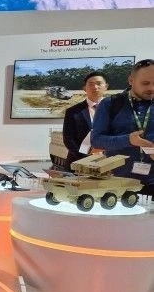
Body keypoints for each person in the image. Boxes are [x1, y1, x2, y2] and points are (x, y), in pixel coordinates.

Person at [91, 59, 154, 195]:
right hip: (119, 182)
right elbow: (96, 140)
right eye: (145, 83)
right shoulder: (110, 104)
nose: (152, 88)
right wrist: (128, 140)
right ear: (131, 80)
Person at [62, 71, 108, 167]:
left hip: (110, 162)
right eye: (91, 84)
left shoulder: (115, 109)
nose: (95, 87)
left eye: (99, 83)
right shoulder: (73, 111)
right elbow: (68, 139)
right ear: (84, 88)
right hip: (79, 163)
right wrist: (86, 159)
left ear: (106, 86)